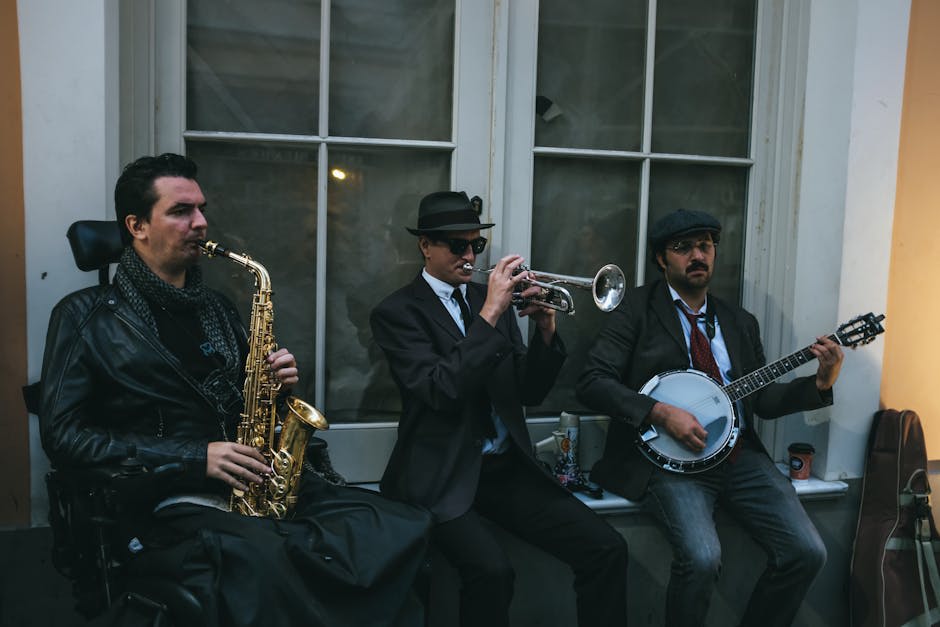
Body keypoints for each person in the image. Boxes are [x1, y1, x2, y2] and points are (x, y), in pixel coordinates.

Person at [39, 153, 432, 627]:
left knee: (398, 525)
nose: (201, 222)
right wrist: (194, 457)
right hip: (165, 498)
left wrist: (278, 385)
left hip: (254, 482)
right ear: (137, 225)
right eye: (181, 211)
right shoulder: (83, 317)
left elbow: (252, 402)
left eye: (201, 209)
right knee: (268, 565)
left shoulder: (218, 307)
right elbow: (63, 436)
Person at [369, 191, 628, 627]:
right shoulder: (397, 313)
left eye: (477, 245)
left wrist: (545, 330)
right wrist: (489, 312)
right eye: (457, 246)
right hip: (441, 474)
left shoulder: (491, 303)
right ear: (424, 246)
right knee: (492, 573)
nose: (470, 256)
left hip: (505, 469)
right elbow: (440, 390)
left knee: (607, 548)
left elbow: (527, 390)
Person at [576, 208, 845, 627]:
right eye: (683, 248)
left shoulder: (739, 322)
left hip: (739, 459)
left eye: (705, 245)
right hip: (666, 465)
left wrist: (821, 383)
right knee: (702, 558)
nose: (697, 255)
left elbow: (765, 401)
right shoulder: (635, 311)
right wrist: (661, 413)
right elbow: (592, 381)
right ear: (662, 259)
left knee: (807, 552)